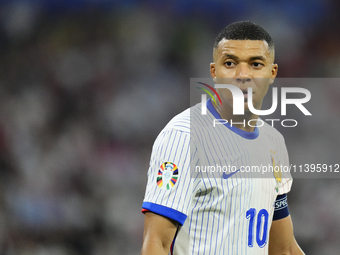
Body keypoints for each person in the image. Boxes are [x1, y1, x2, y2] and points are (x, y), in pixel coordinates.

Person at [140, 21, 305, 255]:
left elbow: (284, 248)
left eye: (256, 64)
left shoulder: (274, 142)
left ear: (272, 73)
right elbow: (156, 244)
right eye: (230, 63)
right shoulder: (183, 136)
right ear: (214, 72)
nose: (243, 75)